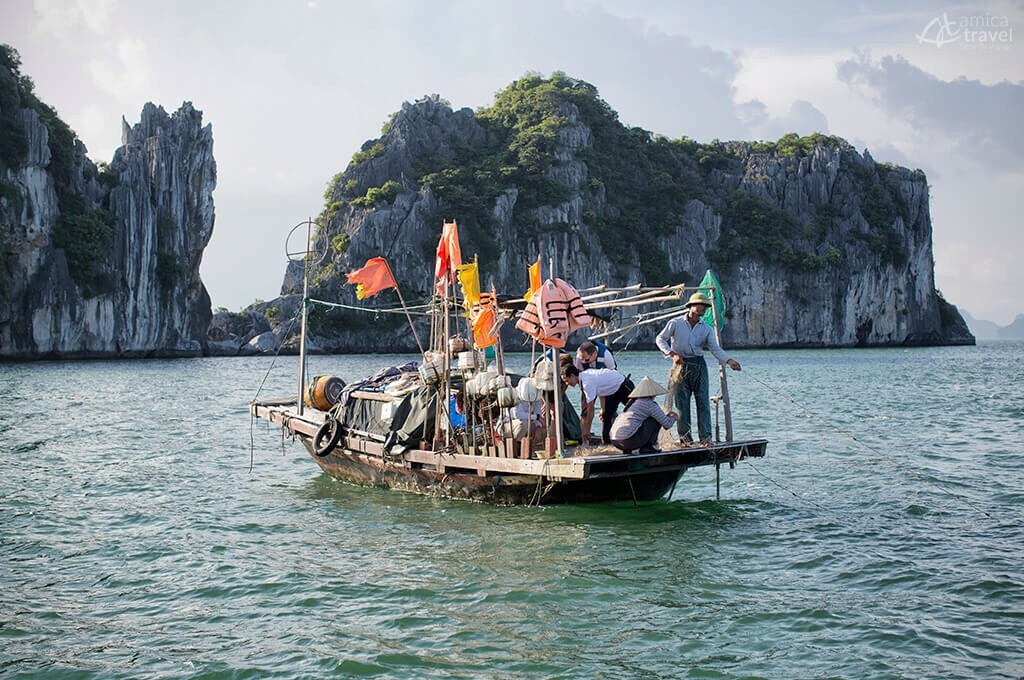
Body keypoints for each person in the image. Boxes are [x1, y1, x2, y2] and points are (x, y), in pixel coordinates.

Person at [655, 292, 741, 445]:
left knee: (702, 402)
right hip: (680, 365)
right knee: (682, 404)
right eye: (701, 305)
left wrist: (729, 361)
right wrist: (671, 353)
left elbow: (715, 349)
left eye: (706, 306)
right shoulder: (675, 323)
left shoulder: (706, 329)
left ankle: (706, 438)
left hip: (699, 366)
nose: (704, 309)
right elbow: (660, 339)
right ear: (691, 306)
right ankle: (685, 439)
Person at [561, 365, 634, 445]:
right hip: (611, 391)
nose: (566, 383)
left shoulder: (587, 383)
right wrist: (603, 409)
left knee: (634, 411)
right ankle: (607, 443)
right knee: (606, 416)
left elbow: (591, 410)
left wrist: (587, 431)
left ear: (572, 376)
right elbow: (602, 390)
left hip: (623, 386)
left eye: (566, 380)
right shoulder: (583, 378)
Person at [610, 376, 678, 455]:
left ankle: (628, 450)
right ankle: (647, 447)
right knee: (654, 419)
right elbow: (667, 424)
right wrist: (673, 416)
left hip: (615, 441)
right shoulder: (649, 404)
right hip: (627, 441)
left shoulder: (632, 403)